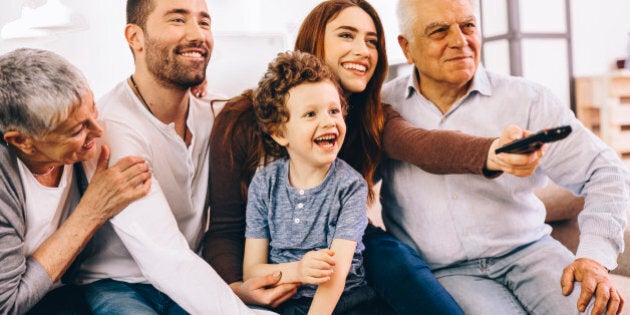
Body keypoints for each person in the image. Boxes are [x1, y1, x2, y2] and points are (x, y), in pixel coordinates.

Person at [203, 0, 542, 313]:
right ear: (314, 39)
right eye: (346, 35)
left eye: (372, 41)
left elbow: (422, 144)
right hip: (275, 254)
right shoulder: (241, 120)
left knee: (393, 259)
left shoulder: (371, 117)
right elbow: (225, 228)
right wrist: (238, 289)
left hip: (351, 242)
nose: (362, 50)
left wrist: (492, 151)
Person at [374, 0, 630, 314]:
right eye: (439, 31)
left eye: (468, 26)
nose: (460, 40)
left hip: (532, 252)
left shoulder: (527, 99)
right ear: (407, 47)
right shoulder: (382, 108)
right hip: (449, 272)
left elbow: (606, 171)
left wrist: (594, 257)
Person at [72, 0, 275, 314]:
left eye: (204, 22)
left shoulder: (213, 112)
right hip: (121, 285)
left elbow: (288, 110)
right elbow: (163, 256)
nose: (197, 34)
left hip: (193, 274)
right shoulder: (113, 128)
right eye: (177, 19)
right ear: (135, 37)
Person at [0, 48, 152, 315]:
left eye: (93, 107)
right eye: (78, 129)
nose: (98, 130)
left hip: (70, 291)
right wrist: (91, 211)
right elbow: (7, 304)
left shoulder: (76, 139)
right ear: (22, 141)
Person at [242, 50, 379, 314]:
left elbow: (335, 277)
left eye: (334, 111)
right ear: (280, 133)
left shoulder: (350, 187)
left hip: (343, 301)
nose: (328, 122)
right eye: (311, 114)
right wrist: (298, 271)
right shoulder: (264, 183)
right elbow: (252, 270)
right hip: (283, 302)